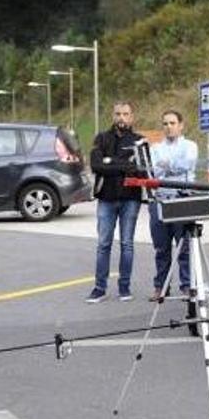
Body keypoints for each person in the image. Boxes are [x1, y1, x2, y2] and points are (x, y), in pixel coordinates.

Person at [87, 102, 146, 303]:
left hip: (131, 198)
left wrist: (110, 162)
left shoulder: (139, 141)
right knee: (103, 244)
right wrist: (123, 165)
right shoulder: (101, 138)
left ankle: (124, 287)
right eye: (118, 113)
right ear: (113, 116)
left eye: (126, 114)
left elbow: (141, 169)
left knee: (127, 244)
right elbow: (95, 165)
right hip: (106, 198)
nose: (122, 117)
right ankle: (99, 288)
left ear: (132, 117)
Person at [147, 110, 198, 302]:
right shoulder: (155, 148)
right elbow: (154, 170)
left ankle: (187, 286)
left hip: (182, 197)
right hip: (160, 199)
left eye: (172, 123)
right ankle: (161, 286)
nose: (169, 127)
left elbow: (186, 164)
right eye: (165, 123)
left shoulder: (190, 146)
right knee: (161, 247)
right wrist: (169, 167)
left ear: (181, 125)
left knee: (184, 246)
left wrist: (166, 166)